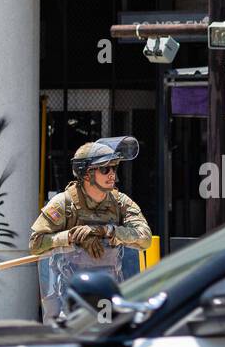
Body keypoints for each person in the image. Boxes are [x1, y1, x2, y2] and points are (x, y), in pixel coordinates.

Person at [29, 137, 152, 321]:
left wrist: (108, 231)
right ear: (86, 174)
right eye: (105, 169)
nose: (112, 174)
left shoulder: (120, 202)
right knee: (69, 340)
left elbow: (145, 238)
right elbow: (36, 243)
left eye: (114, 168)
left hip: (108, 294)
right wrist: (70, 237)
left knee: (107, 338)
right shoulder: (64, 204)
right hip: (68, 295)